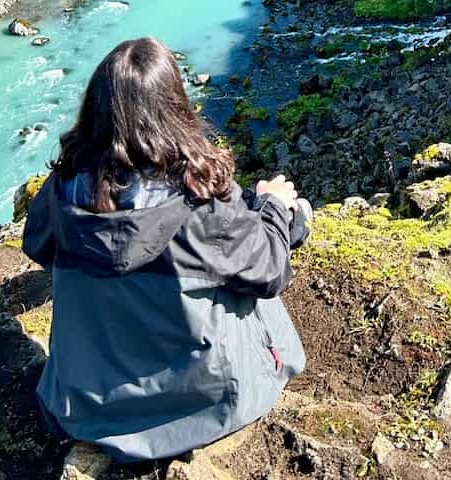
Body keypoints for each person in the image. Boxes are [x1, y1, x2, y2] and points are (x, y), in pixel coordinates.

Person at [22, 37, 309, 465]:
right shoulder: (202, 201)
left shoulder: (63, 189)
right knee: (247, 276)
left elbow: (37, 245)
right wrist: (274, 207)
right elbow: (270, 271)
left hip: (83, 404)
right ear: (174, 108)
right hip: (204, 403)